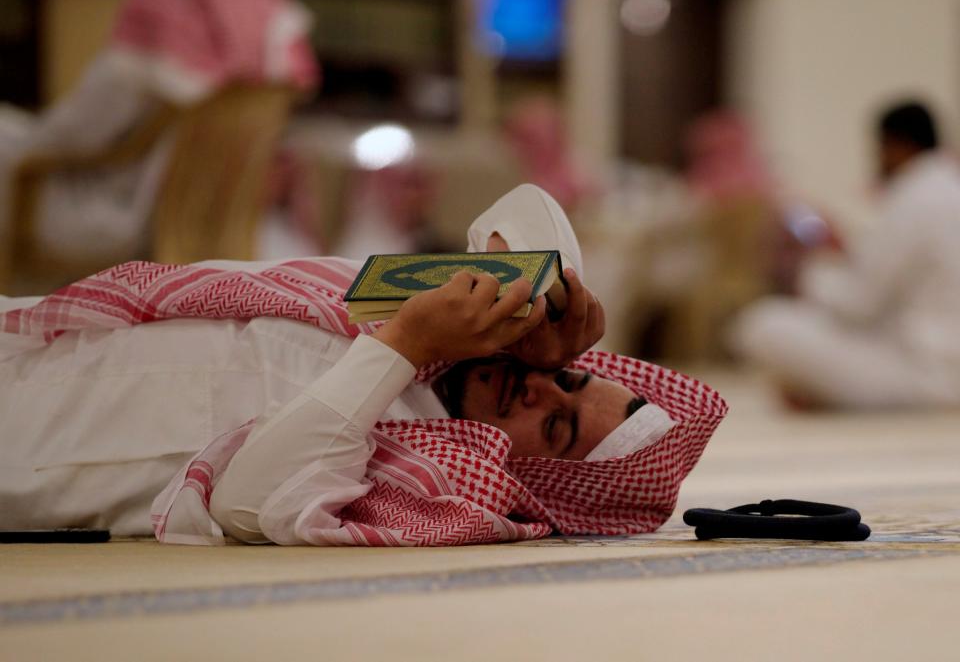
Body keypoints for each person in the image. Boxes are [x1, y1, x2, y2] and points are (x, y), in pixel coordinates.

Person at [0, 185, 725, 546]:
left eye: (556, 427)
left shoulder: (421, 481)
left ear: (544, 477)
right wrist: (553, 292)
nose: (535, 390)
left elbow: (246, 501)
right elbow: (519, 209)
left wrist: (402, 345)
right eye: (567, 378)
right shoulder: (454, 325)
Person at [0, 0, 316, 264]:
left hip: (123, 212)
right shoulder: (264, 20)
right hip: (213, 212)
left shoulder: (155, 25)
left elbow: (68, 136)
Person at [731, 101, 960, 409]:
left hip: (929, 374)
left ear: (895, 146)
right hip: (935, 360)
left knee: (762, 324)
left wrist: (820, 262)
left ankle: (831, 393)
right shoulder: (947, 186)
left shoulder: (913, 198)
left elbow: (858, 306)